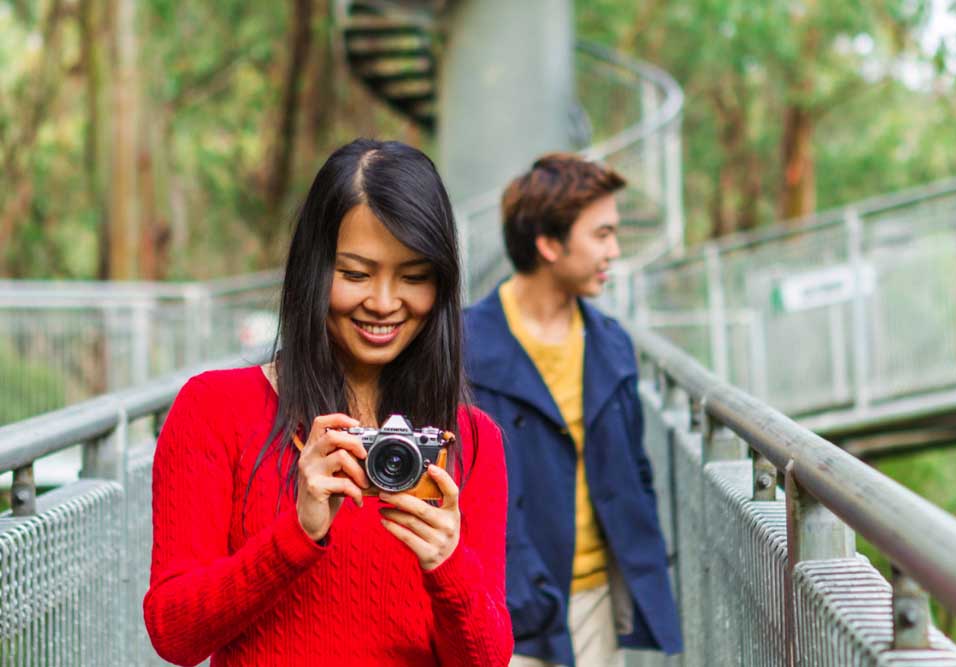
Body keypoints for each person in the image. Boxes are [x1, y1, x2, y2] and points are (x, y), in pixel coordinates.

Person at [144, 139, 513, 667]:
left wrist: (448, 565)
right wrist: (296, 535)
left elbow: (485, 661)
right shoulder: (214, 409)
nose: (384, 303)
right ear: (313, 271)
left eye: (413, 277)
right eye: (356, 274)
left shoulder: (470, 440)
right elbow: (174, 635)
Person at [463, 153, 682, 667]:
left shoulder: (611, 344)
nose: (615, 250)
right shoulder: (462, 349)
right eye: (601, 235)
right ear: (549, 243)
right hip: (505, 607)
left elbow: (636, 472)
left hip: (597, 601)